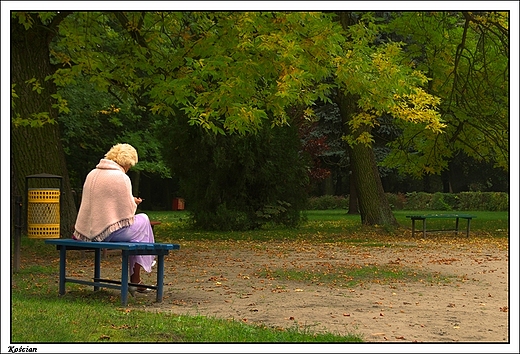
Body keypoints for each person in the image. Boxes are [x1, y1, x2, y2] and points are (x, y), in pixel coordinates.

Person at [73, 143, 155, 296]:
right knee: (143, 220)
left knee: (136, 239)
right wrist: (134, 202)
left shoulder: (92, 173)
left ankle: (135, 280)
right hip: (105, 233)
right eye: (130, 165)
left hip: (87, 232)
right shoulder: (120, 177)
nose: (129, 168)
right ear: (126, 162)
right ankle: (135, 280)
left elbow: (104, 203)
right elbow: (127, 213)